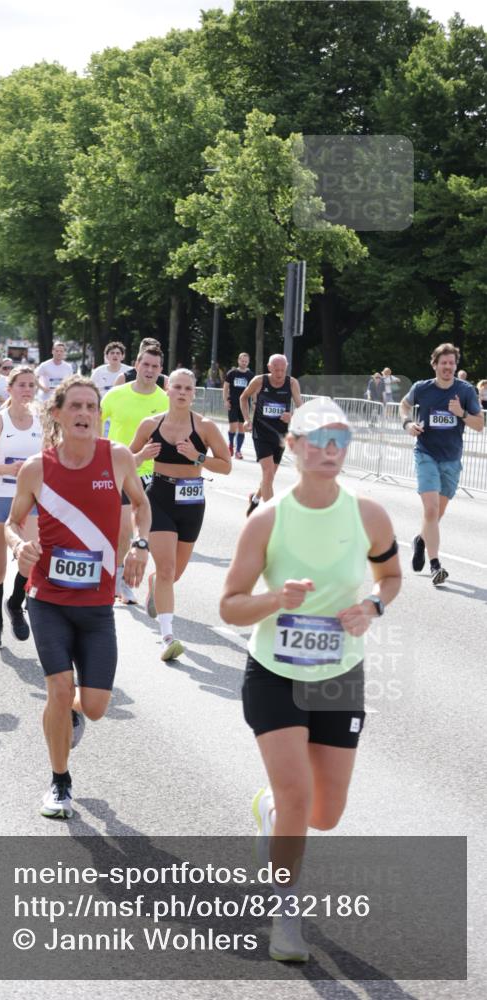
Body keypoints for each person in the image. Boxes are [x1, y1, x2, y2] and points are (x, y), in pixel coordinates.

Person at [220, 396, 401, 962]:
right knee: (299, 797)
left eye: (340, 439)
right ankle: (286, 916)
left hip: (339, 675)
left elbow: (391, 575)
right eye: (318, 439)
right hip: (274, 673)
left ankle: (271, 812)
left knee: (326, 813)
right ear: (293, 446)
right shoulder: (268, 519)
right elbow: (230, 605)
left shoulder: (368, 515)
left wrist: (371, 607)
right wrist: (277, 598)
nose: (330, 449)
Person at [5, 375, 151, 818]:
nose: (85, 413)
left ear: (99, 416)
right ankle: (59, 781)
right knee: (57, 686)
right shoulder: (37, 468)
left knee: (96, 706)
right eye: (76, 406)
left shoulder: (117, 458)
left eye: (91, 407)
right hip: (47, 598)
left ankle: (72, 714)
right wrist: (19, 546)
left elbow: (142, 505)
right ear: (57, 414)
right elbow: (11, 523)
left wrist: (140, 545)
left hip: (96, 605)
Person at [130, 368, 231, 660]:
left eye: (188, 388)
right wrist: (142, 456)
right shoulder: (150, 424)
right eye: (178, 387)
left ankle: (154, 585)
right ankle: (168, 637)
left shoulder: (205, 427)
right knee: (166, 569)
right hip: (159, 498)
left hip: (191, 503)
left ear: (194, 393)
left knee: (174, 573)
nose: (183, 392)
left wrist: (197, 457)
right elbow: (126, 461)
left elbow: (226, 465)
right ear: (168, 390)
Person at [400, 342, 483, 586]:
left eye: (451, 363)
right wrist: (407, 423)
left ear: (456, 366)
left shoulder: (465, 391)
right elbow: (404, 405)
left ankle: (421, 540)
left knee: (437, 514)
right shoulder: (421, 388)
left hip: (452, 459)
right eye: (443, 363)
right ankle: (436, 564)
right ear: (434, 364)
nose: (448, 367)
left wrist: (461, 413)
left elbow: (480, 425)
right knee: (431, 510)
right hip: (426, 453)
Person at [0, 365, 43, 649]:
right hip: (0, 498)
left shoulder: (43, 421)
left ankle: (14, 603)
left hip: (32, 501)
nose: (27, 390)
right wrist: (9, 469)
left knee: (31, 559)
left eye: (31, 385)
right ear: (9, 389)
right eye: (21, 385)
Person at [100, 345, 169, 604]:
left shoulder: (165, 399)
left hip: (153, 476)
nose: (149, 370)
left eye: (155, 366)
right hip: (120, 472)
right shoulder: (116, 395)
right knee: (124, 532)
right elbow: (96, 420)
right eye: (146, 365)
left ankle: (127, 583)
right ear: (137, 366)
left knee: (143, 535)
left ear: (160, 370)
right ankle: (118, 582)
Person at [240, 354, 303, 515]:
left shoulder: (292, 383)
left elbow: (301, 408)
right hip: (261, 432)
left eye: (282, 370)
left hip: (280, 435)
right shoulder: (259, 381)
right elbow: (243, 397)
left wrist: (292, 415)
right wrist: (247, 420)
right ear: (269, 368)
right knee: (268, 473)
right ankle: (272, 517)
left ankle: (255, 498)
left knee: (270, 476)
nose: (279, 373)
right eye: (276, 370)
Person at [223, 352, 255, 458]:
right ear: (238, 360)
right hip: (233, 403)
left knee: (242, 427)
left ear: (248, 362)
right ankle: (230, 445)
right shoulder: (232, 373)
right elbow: (225, 388)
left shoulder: (250, 375)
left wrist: (254, 402)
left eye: (246, 361)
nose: (244, 363)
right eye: (242, 361)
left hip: (244, 405)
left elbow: (254, 391)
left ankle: (238, 451)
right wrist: (225, 401)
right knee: (233, 427)